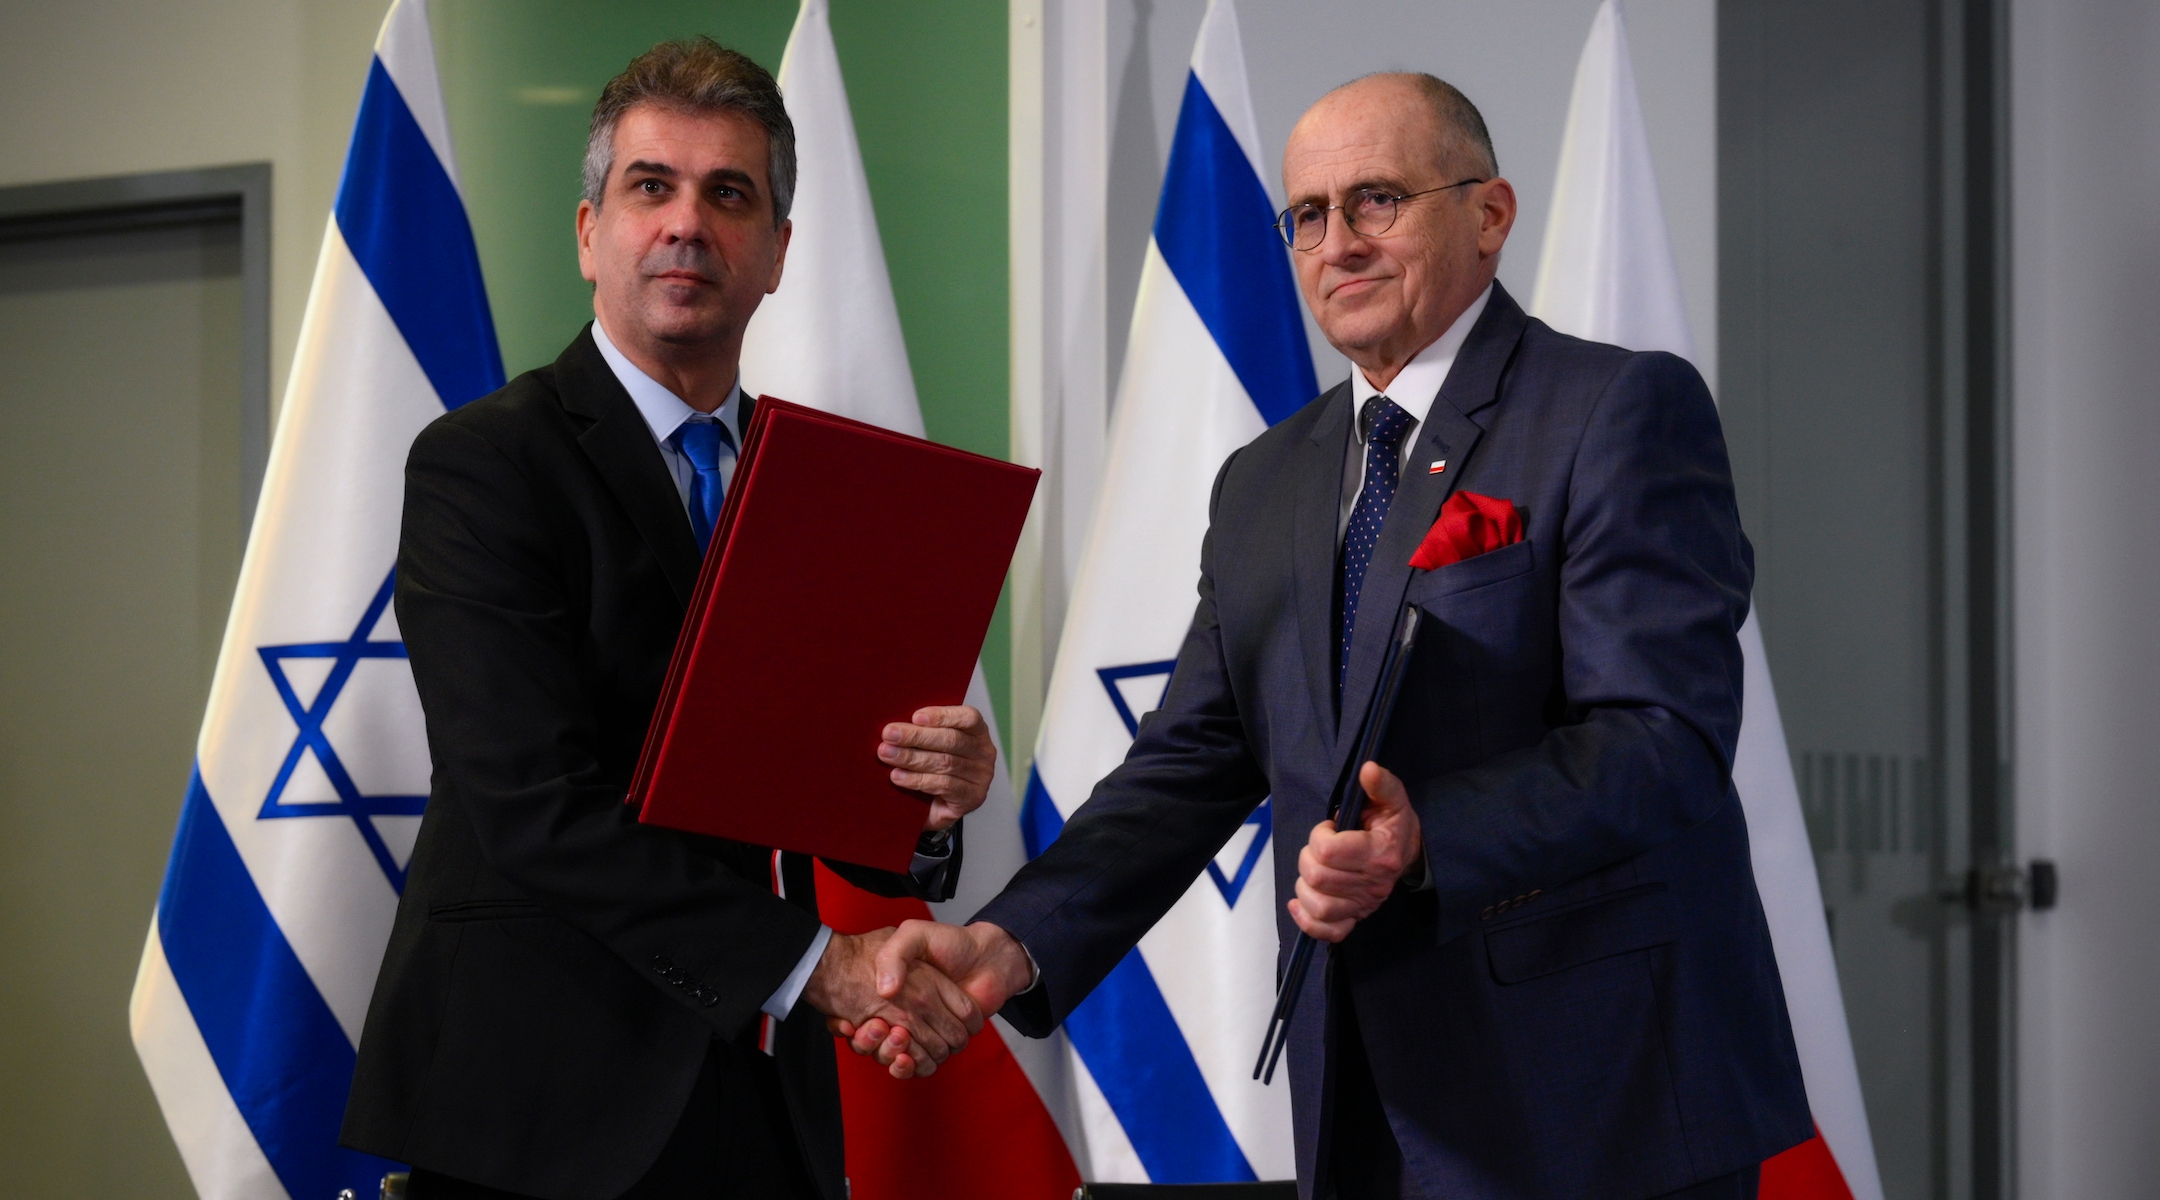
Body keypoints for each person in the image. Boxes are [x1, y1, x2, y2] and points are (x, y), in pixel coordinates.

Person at [862, 73, 1812, 1199]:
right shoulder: (1266, 479)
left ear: (1490, 214)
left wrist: (1426, 839)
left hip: (1597, 1101)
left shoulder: (1615, 410)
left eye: (1375, 200)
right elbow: (1190, 762)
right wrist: (1010, 941)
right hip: (1361, 1096)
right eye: (1307, 215)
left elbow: (1665, 738)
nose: (1337, 243)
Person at [340, 39, 989, 1200]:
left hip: (761, 1110)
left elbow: (811, 783)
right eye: (652, 187)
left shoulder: (826, 491)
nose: (688, 223)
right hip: (539, 1111)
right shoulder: (485, 465)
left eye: (728, 194)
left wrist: (929, 799)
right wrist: (819, 969)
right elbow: (534, 805)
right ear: (590, 232)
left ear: (779, 254)